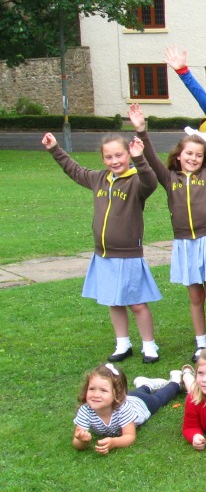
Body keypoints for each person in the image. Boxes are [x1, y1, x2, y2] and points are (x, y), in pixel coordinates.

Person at [42, 131, 162, 363]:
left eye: (119, 155)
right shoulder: (98, 179)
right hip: (104, 255)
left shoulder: (137, 181)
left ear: (128, 154)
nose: (115, 161)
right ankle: (123, 344)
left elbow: (151, 181)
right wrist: (55, 148)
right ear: (103, 159)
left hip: (128, 255)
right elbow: (74, 170)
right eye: (109, 157)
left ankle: (149, 345)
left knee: (137, 303)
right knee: (113, 300)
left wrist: (140, 158)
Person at [130, 98, 206, 359]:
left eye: (199, 155)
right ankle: (201, 343)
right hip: (184, 244)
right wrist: (142, 130)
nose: (193, 158)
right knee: (195, 297)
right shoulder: (170, 179)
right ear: (178, 155)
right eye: (188, 154)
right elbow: (151, 159)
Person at [72, 363, 192, 453]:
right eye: (92, 389)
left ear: (117, 394)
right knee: (139, 392)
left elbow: (129, 436)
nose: (96, 395)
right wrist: (82, 440)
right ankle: (146, 385)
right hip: (131, 397)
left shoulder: (122, 409)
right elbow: (77, 443)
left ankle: (175, 382)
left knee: (159, 399)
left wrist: (114, 442)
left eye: (103, 390)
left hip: (141, 404)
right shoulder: (85, 410)